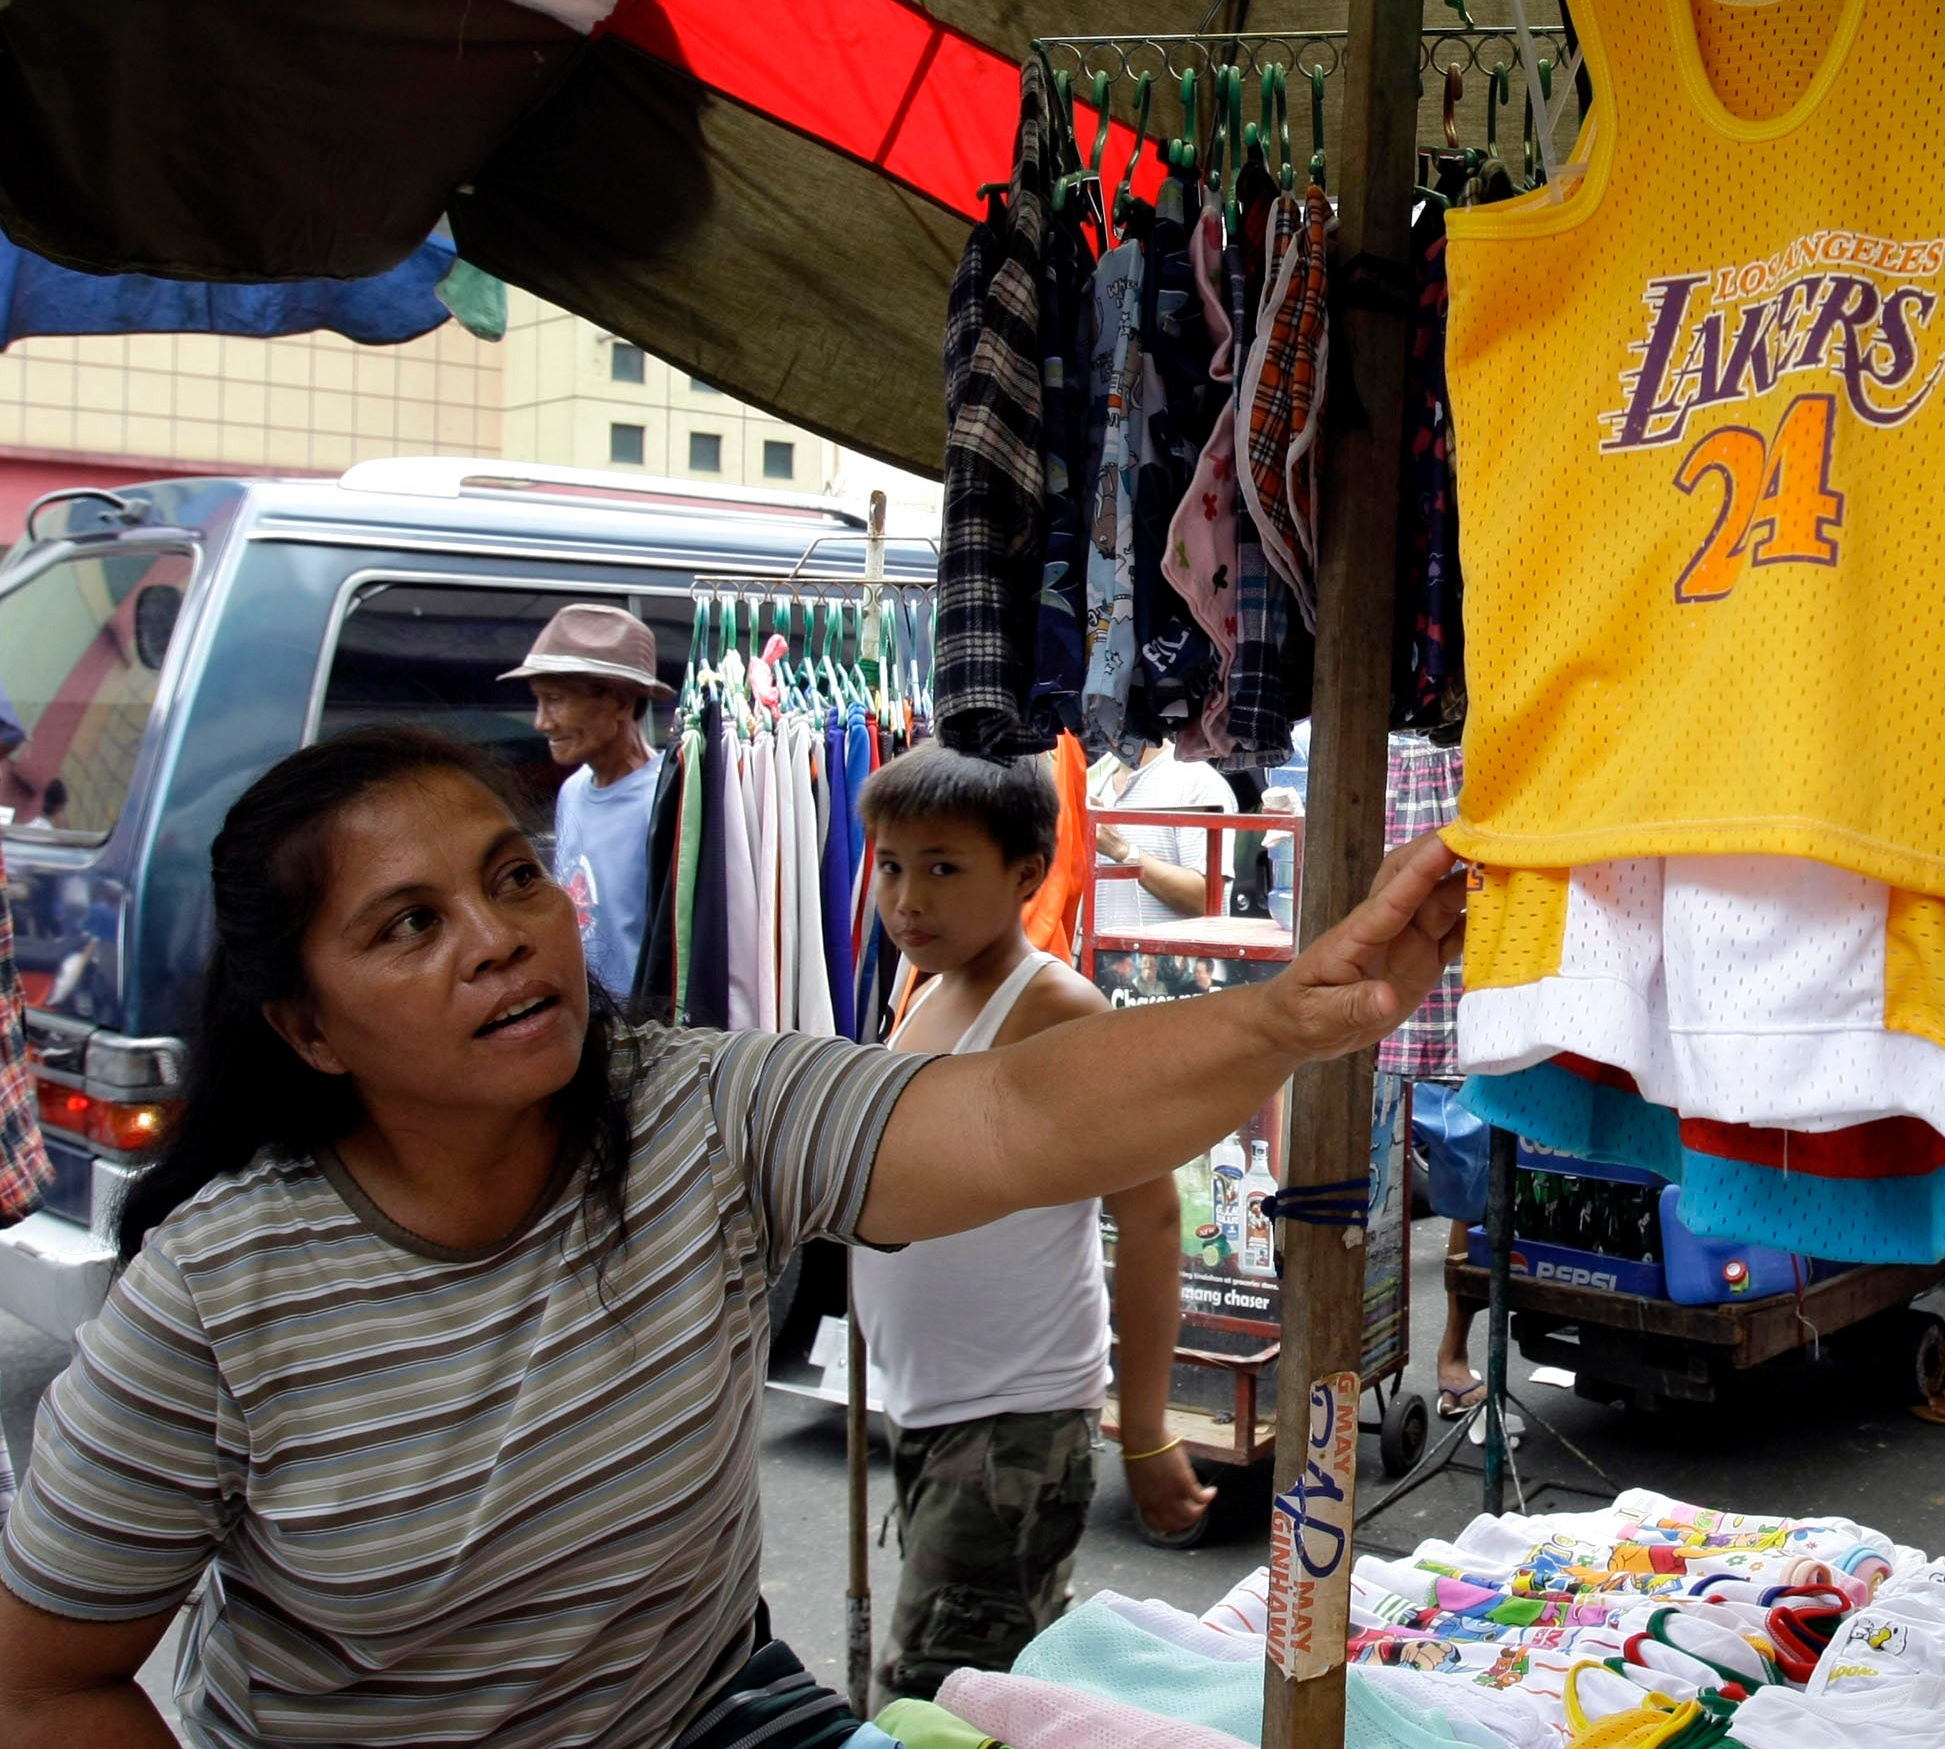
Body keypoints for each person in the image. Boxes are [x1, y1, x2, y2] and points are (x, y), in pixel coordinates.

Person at [0, 724, 1464, 1747]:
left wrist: (1293, 1015)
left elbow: (1018, 1115)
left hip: (713, 1718)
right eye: (408, 925)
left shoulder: (699, 1107)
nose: (500, 935)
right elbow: (44, 1685)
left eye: (513, 876)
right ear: (308, 1029)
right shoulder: (215, 1298)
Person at [847, 745, 1212, 1697]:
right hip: (933, 1411)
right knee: (982, 1693)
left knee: (938, 1698)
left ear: (1025, 875)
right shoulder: (926, 991)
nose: (907, 900)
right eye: (891, 866)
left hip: (1010, 1424)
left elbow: (1152, 1216)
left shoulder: (1054, 1007)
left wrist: (1145, 1431)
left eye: (942, 868)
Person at [502, 602, 674, 996]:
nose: (541, 722)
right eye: (538, 700)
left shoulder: (666, 801)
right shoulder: (573, 792)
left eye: (555, 699)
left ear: (621, 702)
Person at [1090, 739, 1234, 929]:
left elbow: (1206, 899)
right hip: (1100, 947)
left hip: (1174, 948)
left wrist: (1121, 850)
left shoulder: (1198, 782)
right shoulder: (1094, 782)